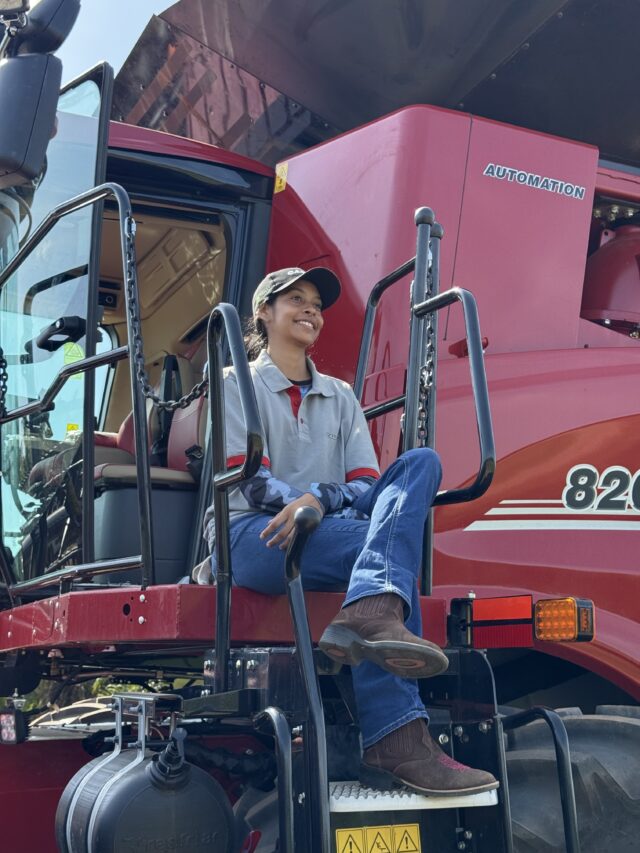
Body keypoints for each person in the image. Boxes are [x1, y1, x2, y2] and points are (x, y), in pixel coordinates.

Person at [203, 266, 498, 796]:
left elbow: (365, 484)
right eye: (296, 299)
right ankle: (396, 736)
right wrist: (308, 504)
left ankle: (368, 615)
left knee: (421, 463)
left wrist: (320, 500)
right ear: (263, 312)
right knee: (391, 552)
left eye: (317, 304)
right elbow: (249, 479)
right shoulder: (233, 383)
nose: (310, 310)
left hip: (327, 529)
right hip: (252, 535)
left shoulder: (340, 395)